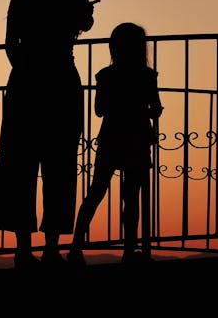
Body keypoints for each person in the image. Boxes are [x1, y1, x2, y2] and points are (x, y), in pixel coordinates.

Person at [0, 0, 97, 271]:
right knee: (60, 168)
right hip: (63, 81)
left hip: (26, 81)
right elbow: (84, 24)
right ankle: (52, 246)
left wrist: (24, 68)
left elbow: (10, 43)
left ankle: (23, 249)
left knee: (19, 166)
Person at [67, 22, 163, 267]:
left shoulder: (106, 76)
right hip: (138, 137)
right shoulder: (147, 76)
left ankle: (76, 247)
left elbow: (99, 110)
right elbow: (156, 109)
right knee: (131, 197)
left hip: (112, 136)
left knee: (96, 192)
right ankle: (130, 251)